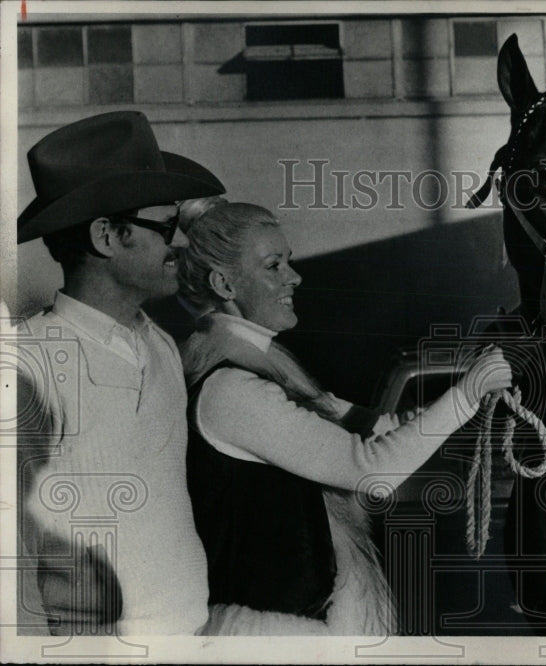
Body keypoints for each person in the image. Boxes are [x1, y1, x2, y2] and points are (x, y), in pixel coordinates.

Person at [176, 201, 512, 635]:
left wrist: (472, 401)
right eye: (273, 266)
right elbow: (369, 468)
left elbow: (379, 426)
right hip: (270, 639)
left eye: (289, 262)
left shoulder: (264, 372)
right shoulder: (233, 391)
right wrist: (467, 394)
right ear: (223, 283)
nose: (293, 277)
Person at [15, 111, 226, 635]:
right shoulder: (28, 364)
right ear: (107, 236)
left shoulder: (157, 346)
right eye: (167, 228)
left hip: (186, 629)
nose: (181, 246)